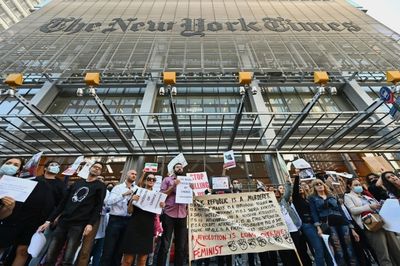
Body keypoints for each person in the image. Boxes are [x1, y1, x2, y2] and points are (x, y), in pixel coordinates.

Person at [37, 161, 106, 266]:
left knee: (68, 257)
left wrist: (90, 224)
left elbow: (98, 207)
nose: (96, 169)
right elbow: (62, 203)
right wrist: (49, 220)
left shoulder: (100, 186)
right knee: (51, 254)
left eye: (99, 168)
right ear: (90, 168)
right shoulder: (77, 183)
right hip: (63, 222)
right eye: (95, 166)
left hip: (78, 225)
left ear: (101, 172)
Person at [344, 178, 400, 266]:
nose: (358, 186)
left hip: (383, 221)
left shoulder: (366, 194)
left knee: (396, 248)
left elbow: (376, 204)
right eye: (355, 185)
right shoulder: (348, 196)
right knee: (383, 253)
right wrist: (369, 207)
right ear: (349, 186)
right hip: (371, 225)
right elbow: (353, 210)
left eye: (359, 184)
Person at [309, 179, 359, 266]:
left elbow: (341, 211)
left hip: (341, 221)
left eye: (321, 183)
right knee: (337, 247)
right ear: (314, 188)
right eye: (316, 184)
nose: (319, 185)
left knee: (349, 246)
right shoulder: (313, 198)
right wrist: (318, 227)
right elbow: (314, 213)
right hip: (328, 224)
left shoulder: (332, 196)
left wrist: (351, 226)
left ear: (324, 185)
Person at [121, 173, 165, 266]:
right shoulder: (137, 191)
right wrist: (132, 201)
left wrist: (161, 207)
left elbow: (157, 214)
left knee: (142, 260)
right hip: (134, 227)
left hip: (147, 229)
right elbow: (129, 211)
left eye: (153, 180)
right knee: (127, 260)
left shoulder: (157, 196)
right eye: (149, 178)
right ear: (145, 180)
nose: (151, 181)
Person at [28, 160, 67, 266]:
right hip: (28, 217)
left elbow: (62, 204)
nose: (55, 167)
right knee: (21, 247)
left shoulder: (61, 184)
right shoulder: (35, 180)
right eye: (52, 165)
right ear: (45, 168)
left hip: (46, 220)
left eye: (57, 166)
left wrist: (56, 218)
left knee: (37, 249)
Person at [100, 169, 137, 266]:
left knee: (119, 251)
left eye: (135, 174)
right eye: (132, 174)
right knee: (108, 249)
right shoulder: (118, 188)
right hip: (115, 220)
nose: (134, 175)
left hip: (129, 221)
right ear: (127, 175)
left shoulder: (137, 189)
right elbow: (109, 202)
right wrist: (123, 195)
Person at [156, 163, 188, 266]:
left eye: (181, 167)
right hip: (169, 214)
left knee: (181, 246)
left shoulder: (187, 180)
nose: (180, 168)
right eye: (177, 167)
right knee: (165, 244)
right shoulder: (167, 180)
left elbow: (190, 197)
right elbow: (162, 195)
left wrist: (192, 189)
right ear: (173, 169)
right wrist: (174, 185)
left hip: (182, 215)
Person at [292, 174, 326, 266]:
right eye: (298, 187)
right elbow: (295, 190)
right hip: (307, 225)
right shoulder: (297, 199)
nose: (300, 188)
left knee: (325, 247)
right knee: (318, 248)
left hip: (317, 224)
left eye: (301, 186)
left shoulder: (309, 198)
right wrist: (297, 177)